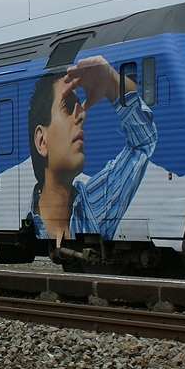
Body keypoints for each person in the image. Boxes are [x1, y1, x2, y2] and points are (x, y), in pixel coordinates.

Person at [27, 54, 156, 245]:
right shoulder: (95, 211)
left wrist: (113, 83)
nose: (81, 115)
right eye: (68, 107)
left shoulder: (93, 205)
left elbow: (143, 143)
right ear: (41, 140)